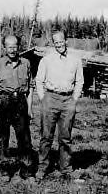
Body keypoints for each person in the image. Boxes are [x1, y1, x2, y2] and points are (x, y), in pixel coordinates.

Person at [0, 35, 35, 181]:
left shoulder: (26, 63)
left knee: (24, 138)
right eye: (9, 47)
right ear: (5, 47)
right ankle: (5, 170)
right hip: (4, 101)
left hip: (20, 101)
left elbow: (30, 87)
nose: (12, 50)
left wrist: (30, 108)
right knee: (3, 137)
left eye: (15, 46)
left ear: (18, 46)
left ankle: (27, 171)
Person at [35, 31, 84, 179]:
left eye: (61, 42)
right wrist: (43, 98)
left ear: (66, 41)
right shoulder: (46, 60)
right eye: (56, 42)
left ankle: (66, 168)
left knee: (65, 137)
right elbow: (38, 80)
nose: (59, 45)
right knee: (46, 136)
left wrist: (74, 99)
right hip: (50, 99)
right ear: (53, 43)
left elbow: (79, 81)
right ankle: (42, 168)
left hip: (68, 100)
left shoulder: (75, 60)